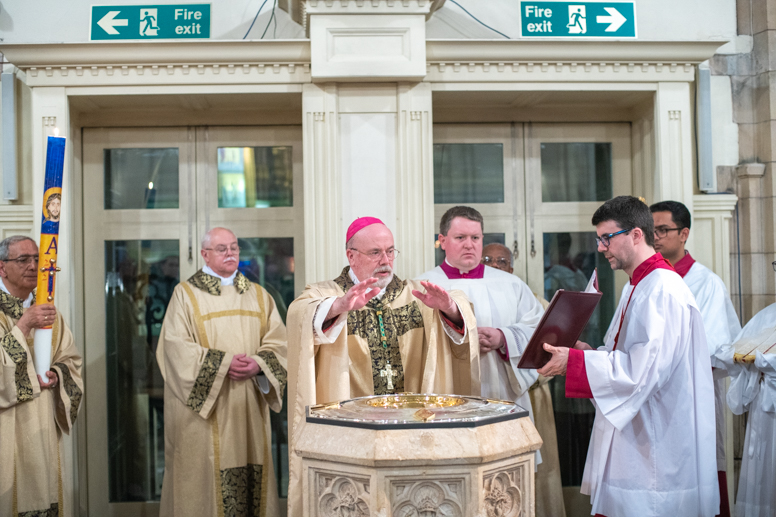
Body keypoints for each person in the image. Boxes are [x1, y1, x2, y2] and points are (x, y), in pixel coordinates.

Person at [286, 216, 480, 517]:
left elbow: (459, 313)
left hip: (413, 433)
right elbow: (299, 313)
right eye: (375, 253)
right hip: (352, 439)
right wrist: (338, 307)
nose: (386, 260)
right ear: (351, 255)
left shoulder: (418, 296)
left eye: (391, 251)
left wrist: (449, 308)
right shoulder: (325, 294)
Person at [538, 196, 718, 517]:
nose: (601, 247)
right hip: (639, 436)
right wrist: (588, 353)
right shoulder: (639, 284)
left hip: (656, 446)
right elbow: (631, 356)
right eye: (598, 239)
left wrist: (576, 364)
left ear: (636, 235)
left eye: (607, 238)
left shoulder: (662, 288)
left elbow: (640, 373)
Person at [419, 211, 565, 517]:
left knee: (506, 494)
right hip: (446, 404)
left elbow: (540, 332)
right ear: (442, 241)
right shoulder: (424, 287)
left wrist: (504, 337)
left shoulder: (510, 284)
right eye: (460, 238)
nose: (469, 245)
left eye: (476, 238)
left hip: (503, 396)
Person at [156, 227, 287, 517]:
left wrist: (260, 364)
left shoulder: (259, 295)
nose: (230, 253)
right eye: (221, 249)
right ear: (204, 254)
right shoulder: (185, 295)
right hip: (204, 414)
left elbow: (280, 343)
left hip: (248, 408)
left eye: (234, 248)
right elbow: (174, 349)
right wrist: (222, 364)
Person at [650, 200, 741, 516]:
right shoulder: (647, 280)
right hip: (651, 399)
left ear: (684, 233)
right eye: (651, 231)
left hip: (691, 400)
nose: (656, 237)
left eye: (663, 229)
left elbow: (718, 348)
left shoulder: (706, 283)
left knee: (697, 477)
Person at [0, 235, 83, 516]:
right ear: (1, 268)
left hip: (43, 427)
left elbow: (70, 359)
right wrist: (23, 325)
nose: (33, 265)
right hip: (7, 428)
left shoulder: (50, 313)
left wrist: (59, 375)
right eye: (23, 259)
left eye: (38, 259)